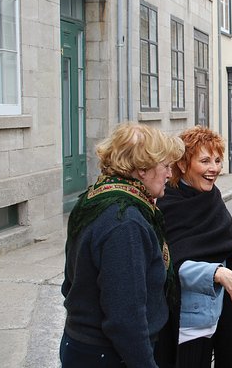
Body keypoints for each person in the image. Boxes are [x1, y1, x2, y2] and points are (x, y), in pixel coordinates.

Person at [156, 126, 232, 368]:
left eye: (217, 160)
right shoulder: (167, 204)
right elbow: (170, 263)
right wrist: (215, 272)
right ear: (183, 164)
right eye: (204, 161)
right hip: (187, 322)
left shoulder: (210, 196)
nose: (213, 168)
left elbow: (218, 239)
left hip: (218, 314)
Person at [60, 122, 184, 368]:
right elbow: (125, 319)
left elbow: (71, 282)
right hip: (108, 354)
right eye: (166, 166)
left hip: (83, 344)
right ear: (141, 169)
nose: (170, 175)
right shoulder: (125, 222)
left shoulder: (96, 196)